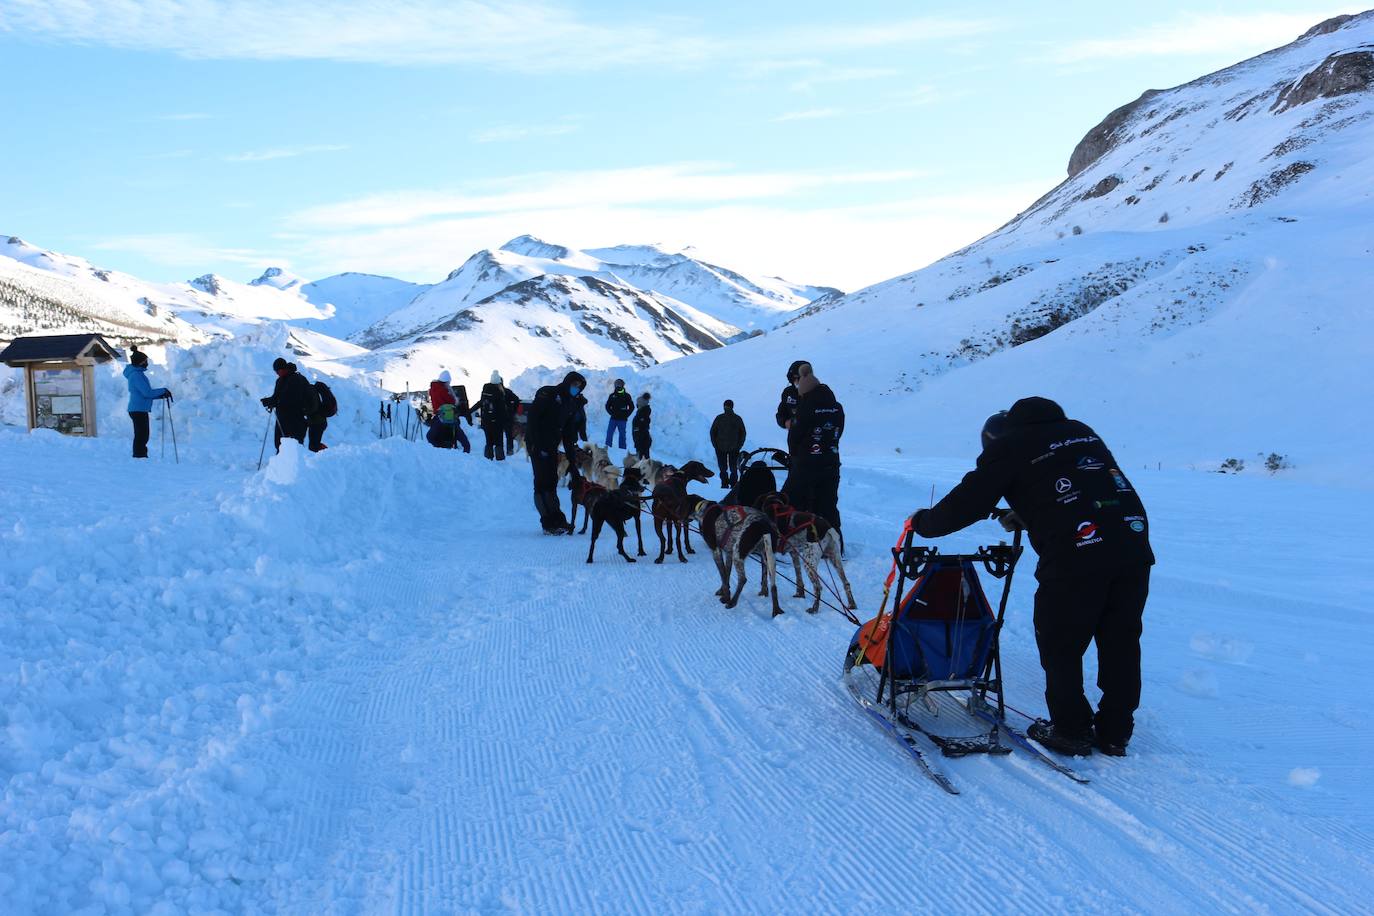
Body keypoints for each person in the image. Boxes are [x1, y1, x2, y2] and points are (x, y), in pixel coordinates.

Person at [909, 397, 1155, 758]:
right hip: (1131, 546)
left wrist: (923, 523)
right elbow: (1082, 490)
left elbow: (968, 501)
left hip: (1075, 555)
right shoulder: (1080, 432)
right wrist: (1027, 512)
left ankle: (1071, 730)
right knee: (1120, 640)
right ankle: (1116, 732)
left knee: (1060, 643)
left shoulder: (1008, 445)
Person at [783, 362, 843, 532]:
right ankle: (835, 544)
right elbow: (839, 432)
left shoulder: (806, 408)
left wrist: (796, 455)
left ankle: (787, 538)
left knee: (791, 501)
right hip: (831, 462)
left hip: (806, 464)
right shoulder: (836, 407)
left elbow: (796, 435)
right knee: (828, 506)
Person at [526, 371, 587, 534]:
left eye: (579, 387)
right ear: (567, 382)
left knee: (552, 482)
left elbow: (567, 434)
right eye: (574, 385)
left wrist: (573, 463)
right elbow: (532, 419)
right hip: (538, 445)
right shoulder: (549, 394)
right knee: (542, 484)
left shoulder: (570, 404)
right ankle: (548, 523)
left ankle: (558, 520)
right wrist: (535, 445)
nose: (576, 389)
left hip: (552, 446)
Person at [123, 349, 171, 459]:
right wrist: (163, 391)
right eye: (145, 360)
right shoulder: (136, 375)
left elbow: (145, 393)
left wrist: (160, 395)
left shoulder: (137, 374)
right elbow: (147, 393)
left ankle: (140, 455)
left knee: (142, 434)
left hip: (139, 408)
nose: (147, 362)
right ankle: (139, 456)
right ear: (140, 362)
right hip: (138, 409)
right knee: (142, 435)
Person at [260, 357, 315, 452]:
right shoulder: (280, 380)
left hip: (296, 419)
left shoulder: (296, 379)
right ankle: (279, 463)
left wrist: (273, 402)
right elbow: (277, 397)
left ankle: (292, 465)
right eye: (276, 371)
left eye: (278, 370)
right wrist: (270, 401)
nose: (277, 373)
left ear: (284, 368)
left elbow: (291, 400)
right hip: (283, 418)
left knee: (294, 444)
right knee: (279, 443)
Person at [427, 369, 472, 452]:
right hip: (448, 415)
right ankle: (465, 451)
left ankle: (439, 448)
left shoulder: (433, 389)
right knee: (461, 437)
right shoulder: (444, 390)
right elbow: (452, 402)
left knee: (430, 436)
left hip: (437, 415)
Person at [710, 399, 747, 489]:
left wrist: (715, 445)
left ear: (724, 406)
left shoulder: (719, 418)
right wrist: (739, 445)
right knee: (733, 468)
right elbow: (743, 433)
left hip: (720, 447)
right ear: (732, 406)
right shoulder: (737, 418)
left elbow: (712, 432)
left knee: (723, 468)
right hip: (734, 448)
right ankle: (733, 485)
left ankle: (724, 484)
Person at [478, 370, 511, 461]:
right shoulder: (499, 392)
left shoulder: (485, 389)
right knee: (498, 441)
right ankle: (500, 460)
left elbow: (481, 403)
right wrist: (507, 419)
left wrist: (470, 411)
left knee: (489, 441)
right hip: (497, 422)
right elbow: (502, 410)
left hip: (486, 420)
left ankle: (488, 459)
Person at [775, 359, 808, 431]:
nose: (796, 381)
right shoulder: (788, 393)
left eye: (799, 378)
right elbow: (781, 413)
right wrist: (785, 422)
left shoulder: (821, 392)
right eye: (794, 378)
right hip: (795, 438)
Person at [604, 379, 634, 450]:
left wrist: (626, 414)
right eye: (616, 384)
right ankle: (607, 447)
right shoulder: (612, 396)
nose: (618, 386)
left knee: (622, 435)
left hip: (622, 420)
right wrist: (611, 413)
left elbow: (632, 407)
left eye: (619, 384)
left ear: (622, 385)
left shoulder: (627, 396)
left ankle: (622, 449)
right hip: (613, 419)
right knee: (609, 433)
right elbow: (607, 406)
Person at [631, 392, 652, 459]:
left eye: (638, 403)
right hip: (642, 441)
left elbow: (640, 429)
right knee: (644, 460)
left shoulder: (642, 414)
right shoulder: (642, 413)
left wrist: (638, 442)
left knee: (642, 461)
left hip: (641, 442)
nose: (637, 405)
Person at [502, 384, 521, 454]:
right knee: (509, 435)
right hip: (508, 416)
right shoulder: (508, 391)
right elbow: (517, 400)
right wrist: (513, 410)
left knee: (498, 434)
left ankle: (499, 450)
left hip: (499, 417)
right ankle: (509, 450)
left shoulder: (494, 392)